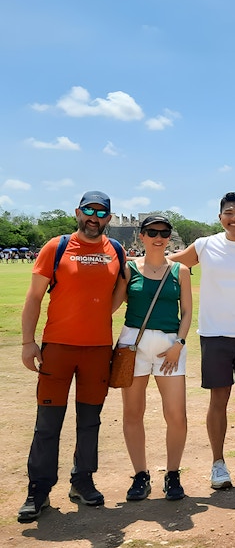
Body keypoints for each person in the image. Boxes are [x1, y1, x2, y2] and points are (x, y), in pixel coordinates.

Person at [18, 191, 125, 523]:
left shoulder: (116, 251)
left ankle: (82, 481)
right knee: (47, 424)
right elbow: (35, 297)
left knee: (89, 421)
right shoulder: (57, 247)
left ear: (109, 217)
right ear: (78, 212)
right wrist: (27, 342)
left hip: (96, 349)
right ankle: (39, 490)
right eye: (89, 211)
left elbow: (118, 294)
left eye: (101, 212)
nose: (94, 217)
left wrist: (93, 319)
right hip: (58, 348)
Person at [169, 192, 235, 489]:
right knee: (218, 400)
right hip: (215, 336)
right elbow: (169, 266)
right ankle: (218, 463)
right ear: (220, 218)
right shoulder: (204, 246)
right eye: (229, 213)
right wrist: (131, 264)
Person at [112, 215, 192, 501]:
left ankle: (172, 474)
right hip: (134, 345)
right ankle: (140, 474)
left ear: (169, 237)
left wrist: (179, 344)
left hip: (170, 347)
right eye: (152, 232)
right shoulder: (129, 269)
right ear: (141, 236)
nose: (158, 237)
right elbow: (112, 305)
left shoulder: (180, 271)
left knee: (176, 415)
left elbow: (187, 313)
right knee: (133, 413)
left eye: (164, 233)